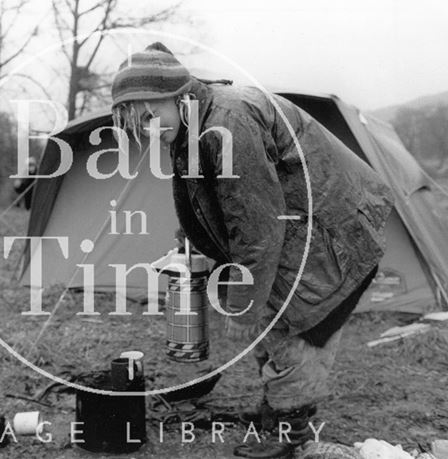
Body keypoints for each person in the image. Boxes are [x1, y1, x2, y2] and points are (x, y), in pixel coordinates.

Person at [111, 43, 394, 457]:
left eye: (151, 115)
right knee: (269, 320)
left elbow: (257, 226)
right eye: (139, 125)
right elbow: (210, 195)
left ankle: (290, 433)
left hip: (334, 232)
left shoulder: (229, 120)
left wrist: (243, 304)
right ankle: (277, 408)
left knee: (290, 327)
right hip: (297, 228)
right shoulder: (190, 122)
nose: (149, 129)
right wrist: (191, 240)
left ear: (177, 94)